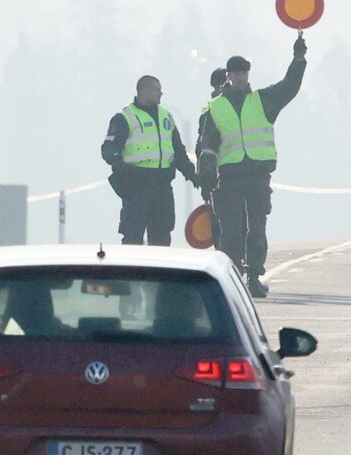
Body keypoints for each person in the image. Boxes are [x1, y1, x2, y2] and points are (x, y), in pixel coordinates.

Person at [197, 36, 307, 297]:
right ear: (228, 76)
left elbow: (289, 86)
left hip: (258, 176)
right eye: (235, 73)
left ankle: (254, 278)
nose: (240, 77)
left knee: (257, 228)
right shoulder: (215, 107)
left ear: (248, 74)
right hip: (229, 178)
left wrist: (299, 60)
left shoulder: (263, 100)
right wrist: (206, 176)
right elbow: (208, 144)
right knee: (231, 232)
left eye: (244, 73)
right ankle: (231, 281)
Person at [101, 75, 197, 246]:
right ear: (143, 90)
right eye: (157, 89)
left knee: (162, 236)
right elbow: (108, 150)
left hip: (162, 186)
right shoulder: (124, 117)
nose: (161, 93)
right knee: (132, 236)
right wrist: (121, 169)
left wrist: (192, 174)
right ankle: (131, 272)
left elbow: (178, 151)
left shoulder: (166, 117)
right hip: (137, 187)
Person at [195, 67, 228, 249]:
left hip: (215, 175)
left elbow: (200, 148)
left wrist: (203, 180)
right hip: (224, 174)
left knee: (220, 222)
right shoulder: (215, 109)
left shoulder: (208, 109)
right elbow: (204, 148)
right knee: (231, 223)